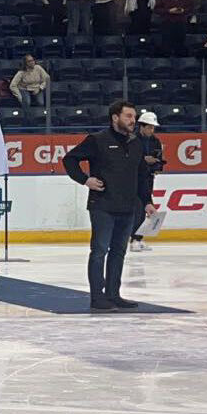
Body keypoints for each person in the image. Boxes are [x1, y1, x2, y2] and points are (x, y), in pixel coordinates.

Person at [61, 100, 147, 310]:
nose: (132, 121)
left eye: (134, 117)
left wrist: (147, 201)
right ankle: (97, 297)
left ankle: (113, 294)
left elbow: (143, 175)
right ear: (115, 118)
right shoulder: (97, 140)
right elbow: (70, 160)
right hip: (103, 206)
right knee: (99, 251)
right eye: (128, 116)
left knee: (119, 252)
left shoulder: (136, 143)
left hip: (128, 207)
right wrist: (85, 180)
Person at [130, 110, 168, 251]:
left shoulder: (155, 141)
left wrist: (157, 166)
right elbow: (128, 159)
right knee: (139, 209)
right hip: (134, 179)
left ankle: (138, 238)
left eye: (153, 127)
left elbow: (158, 157)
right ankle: (134, 239)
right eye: (149, 127)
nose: (152, 130)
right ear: (142, 126)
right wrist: (144, 160)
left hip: (148, 178)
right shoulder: (132, 139)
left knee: (146, 209)